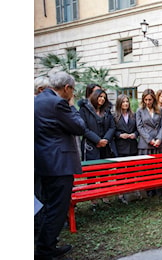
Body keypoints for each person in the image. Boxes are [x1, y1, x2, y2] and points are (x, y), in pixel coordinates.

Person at [34, 71, 86, 259]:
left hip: (44, 162)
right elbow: (79, 127)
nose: (72, 95)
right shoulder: (59, 103)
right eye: (72, 90)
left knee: (48, 207)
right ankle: (45, 251)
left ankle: (47, 245)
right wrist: (71, 107)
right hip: (59, 164)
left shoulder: (38, 100)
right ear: (67, 88)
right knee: (57, 208)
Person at [79, 88, 117, 207]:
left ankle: (104, 195)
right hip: (91, 145)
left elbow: (112, 127)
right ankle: (93, 198)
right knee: (92, 172)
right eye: (100, 97)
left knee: (104, 171)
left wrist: (105, 139)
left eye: (104, 98)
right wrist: (97, 140)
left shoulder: (107, 111)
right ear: (94, 97)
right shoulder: (84, 110)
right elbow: (83, 128)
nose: (102, 99)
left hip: (105, 145)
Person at [113, 94, 139, 204]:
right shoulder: (114, 116)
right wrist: (120, 135)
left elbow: (138, 129)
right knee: (120, 171)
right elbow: (113, 131)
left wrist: (135, 134)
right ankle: (120, 194)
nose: (125, 104)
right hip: (121, 147)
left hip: (132, 146)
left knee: (132, 170)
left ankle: (131, 192)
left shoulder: (133, 115)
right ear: (119, 103)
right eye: (123, 102)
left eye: (127, 101)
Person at [136, 88, 162, 155]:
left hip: (158, 143)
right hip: (145, 144)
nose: (147, 102)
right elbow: (139, 127)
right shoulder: (139, 111)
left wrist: (159, 139)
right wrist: (149, 140)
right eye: (145, 100)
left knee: (159, 164)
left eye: (150, 100)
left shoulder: (160, 110)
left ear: (154, 99)